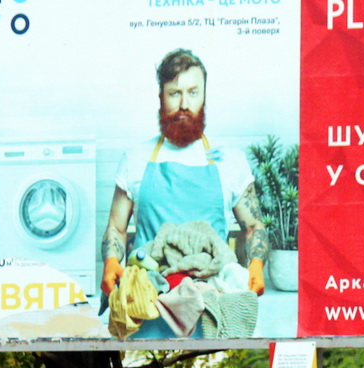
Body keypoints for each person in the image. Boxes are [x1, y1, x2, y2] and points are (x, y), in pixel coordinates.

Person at [100, 48, 269, 339]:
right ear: (160, 98)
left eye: (193, 92)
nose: (184, 104)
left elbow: (253, 226)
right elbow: (116, 227)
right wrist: (112, 262)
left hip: (212, 308)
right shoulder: (136, 157)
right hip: (147, 306)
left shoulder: (230, 161)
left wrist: (255, 264)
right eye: (174, 93)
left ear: (204, 96)